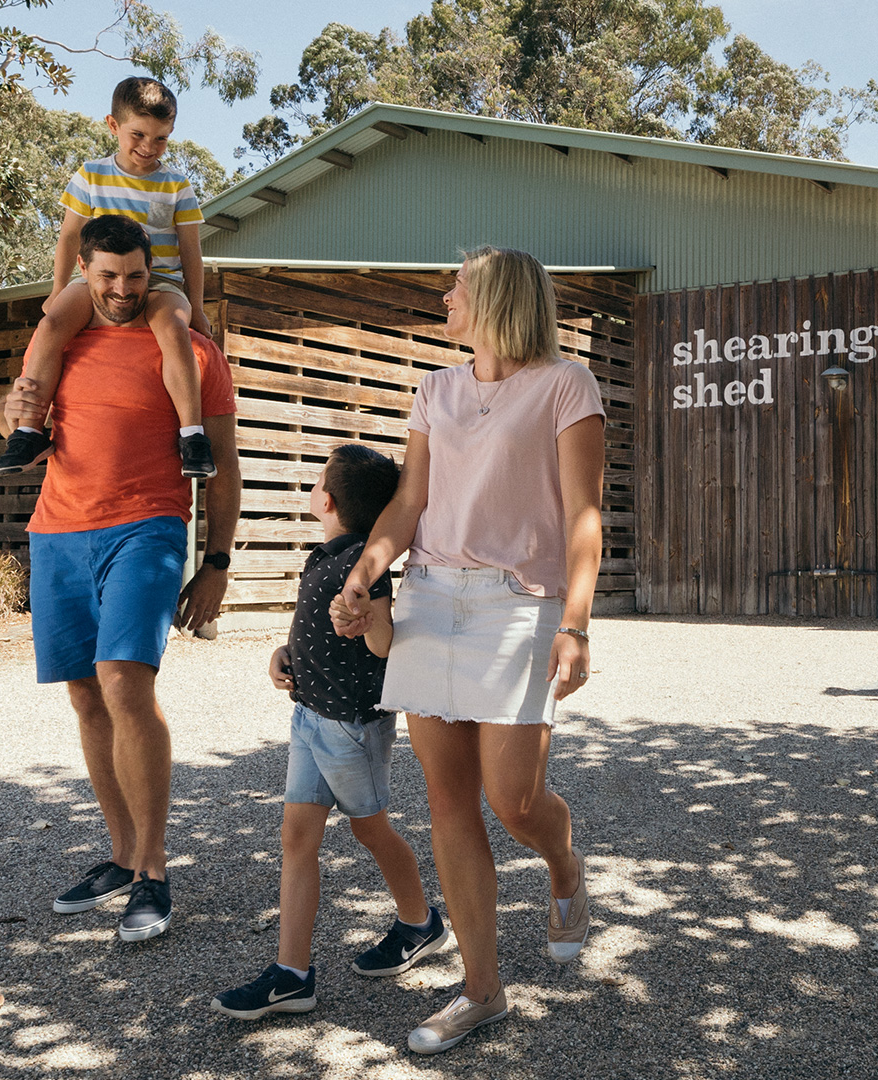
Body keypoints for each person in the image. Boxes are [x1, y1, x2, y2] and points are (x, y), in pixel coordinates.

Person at [331, 246, 602, 1055]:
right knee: (448, 802)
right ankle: (482, 992)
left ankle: (564, 865)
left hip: (520, 605)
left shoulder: (566, 383)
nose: (445, 296)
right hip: (431, 598)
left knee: (515, 800)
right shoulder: (435, 389)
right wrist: (365, 574)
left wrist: (577, 623)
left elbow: (584, 516)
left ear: (494, 300)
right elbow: (411, 501)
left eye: (457, 287)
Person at [0, 213, 241, 942]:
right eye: (107, 276)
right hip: (59, 533)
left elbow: (222, 472)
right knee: (84, 693)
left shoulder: (193, 352)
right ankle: (122, 853)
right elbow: (22, 431)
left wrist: (217, 562)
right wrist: (6, 412)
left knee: (124, 678)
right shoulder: (62, 343)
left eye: (135, 276)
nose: (122, 289)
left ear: (149, 269)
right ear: (85, 272)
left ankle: (155, 872)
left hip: (149, 526)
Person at [210, 444, 451, 1021]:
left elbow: (385, 645)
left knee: (371, 832)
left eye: (319, 481)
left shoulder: (368, 569)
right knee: (298, 838)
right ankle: (292, 974)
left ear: (327, 499)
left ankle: (420, 922)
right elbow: (311, 633)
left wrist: (368, 624)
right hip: (309, 717)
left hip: (351, 727)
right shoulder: (326, 558)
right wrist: (282, 654)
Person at [0, 76, 216, 480]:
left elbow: (191, 251)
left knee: (172, 328)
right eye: (138, 135)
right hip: (98, 279)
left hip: (159, 281)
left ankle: (193, 435)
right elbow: (67, 236)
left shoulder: (176, 186)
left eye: (161, 138)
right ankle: (28, 430)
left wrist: (196, 307)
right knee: (52, 324)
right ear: (113, 126)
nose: (149, 147)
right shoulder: (91, 176)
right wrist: (59, 289)